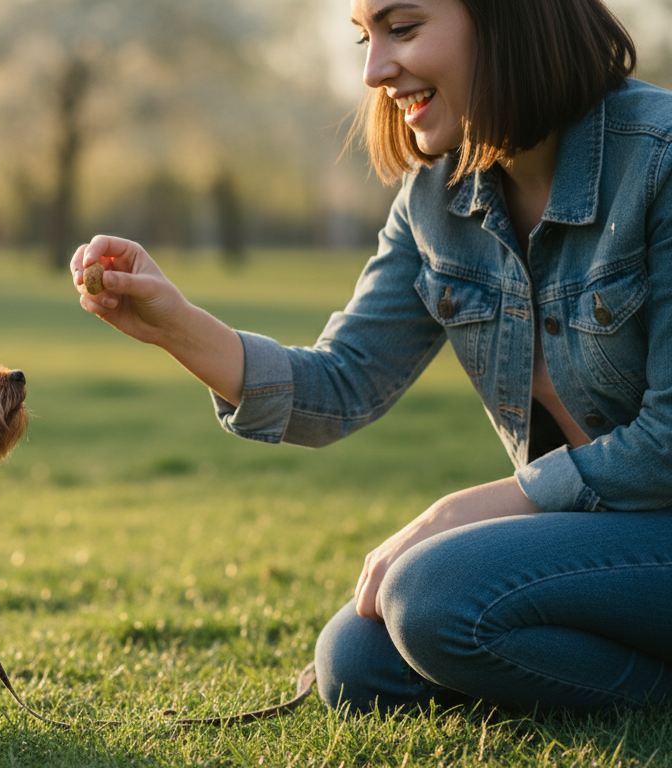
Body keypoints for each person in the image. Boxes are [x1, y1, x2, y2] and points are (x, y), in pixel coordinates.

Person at [73, 0, 672, 715]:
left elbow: (664, 445)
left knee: (433, 595)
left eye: (404, 28)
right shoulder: (437, 198)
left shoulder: (660, 160)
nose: (373, 70)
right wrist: (177, 326)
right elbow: (342, 383)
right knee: (356, 662)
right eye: (365, 37)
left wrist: (463, 512)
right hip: (599, 539)